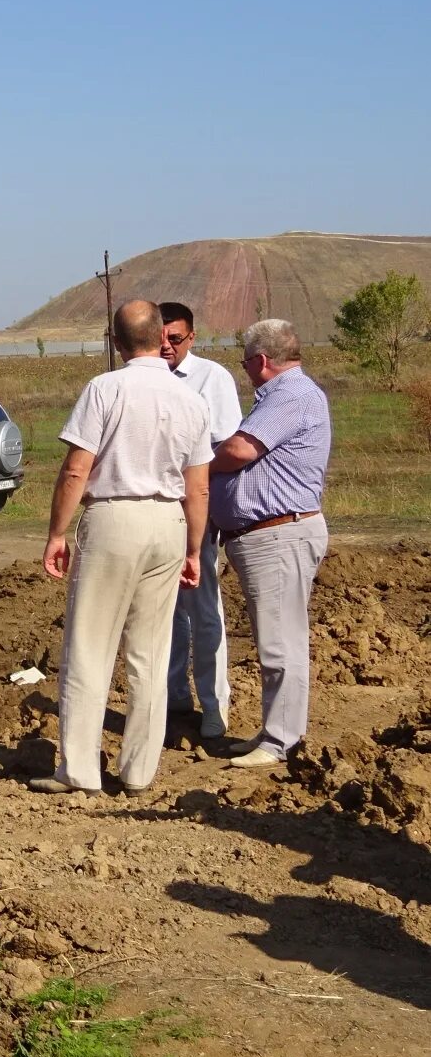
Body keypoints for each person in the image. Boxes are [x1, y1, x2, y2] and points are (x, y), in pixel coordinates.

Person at [30, 299, 212, 797]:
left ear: (115, 342)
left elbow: (75, 469)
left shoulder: (104, 389)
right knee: (150, 654)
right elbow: (198, 488)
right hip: (168, 523)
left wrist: (56, 533)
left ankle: (80, 771)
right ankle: (138, 772)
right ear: (162, 338)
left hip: (114, 520)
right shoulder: (192, 401)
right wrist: (194, 549)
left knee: (90, 647)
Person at [210, 319, 331, 769]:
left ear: (261, 361)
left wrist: (200, 463)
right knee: (278, 639)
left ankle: (281, 741)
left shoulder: (291, 395)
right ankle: (277, 731)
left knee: (281, 643)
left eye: (245, 363)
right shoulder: (291, 396)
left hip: (278, 534)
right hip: (270, 534)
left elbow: (241, 451)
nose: (244, 371)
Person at [159, 301, 243, 738]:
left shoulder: (212, 379)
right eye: (161, 338)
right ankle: (174, 695)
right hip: (153, 513)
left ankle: (214, 705)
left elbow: (225, 446)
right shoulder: (141, 378)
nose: (167, 346)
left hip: (194, 509)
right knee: (164, 611)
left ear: (192, 337)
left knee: (203, 609)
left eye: (176, 338)